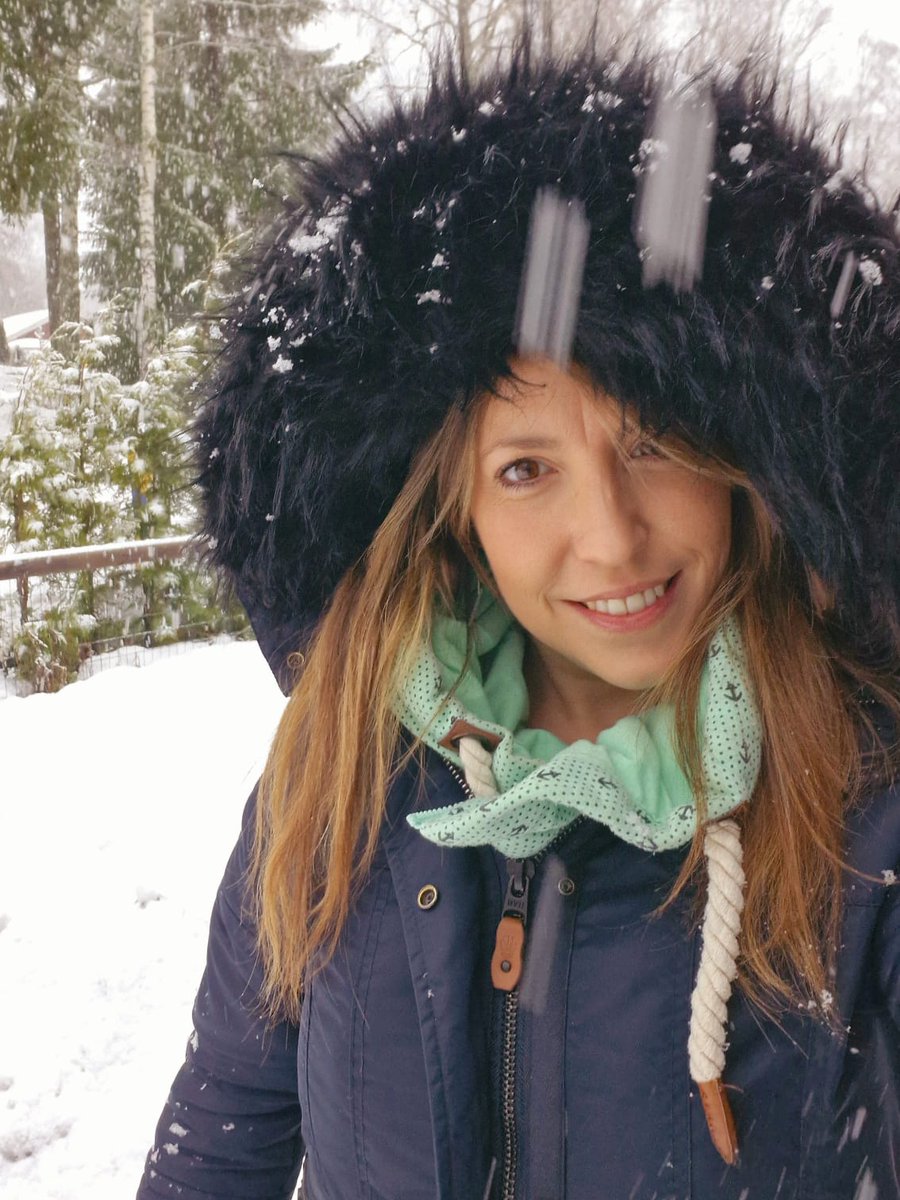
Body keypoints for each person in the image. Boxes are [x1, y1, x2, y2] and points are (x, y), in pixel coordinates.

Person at [137, 44, 899, 1200]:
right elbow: (224, 1127)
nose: (611, 538)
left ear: (745, 465)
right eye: (528, 469)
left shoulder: (864, 806)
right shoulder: (342, 769)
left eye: (654, 442)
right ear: (457, 508)